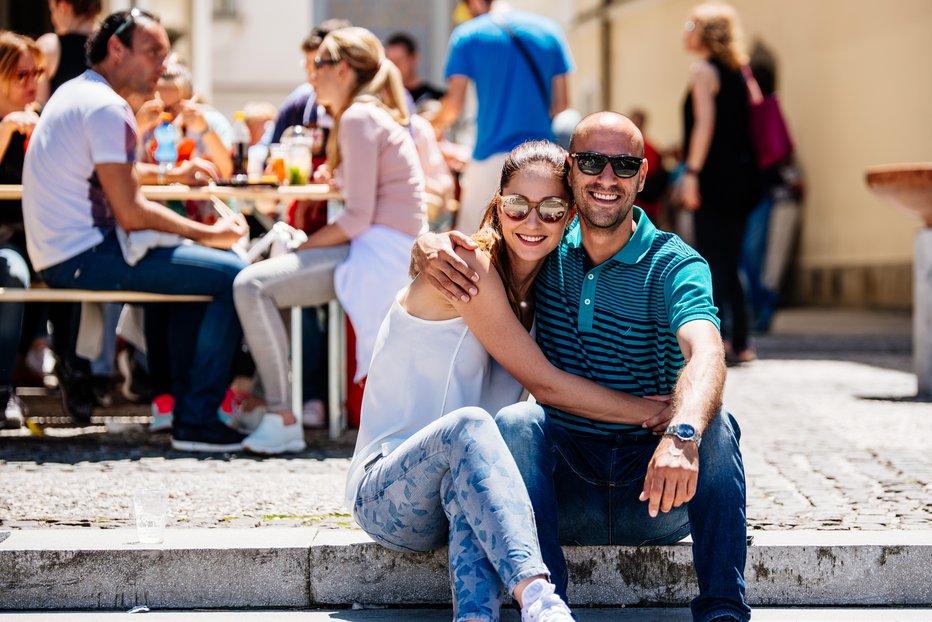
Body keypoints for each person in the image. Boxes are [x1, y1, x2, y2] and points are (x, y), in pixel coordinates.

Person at [414, 112, 750, 622]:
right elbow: (488, 242)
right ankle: (551, 611)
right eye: (593, 161)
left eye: (624, 165)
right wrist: (426, 245)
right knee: (519, 423)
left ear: (642, 176)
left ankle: (723, 609)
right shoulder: (546, 246)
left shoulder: (674, 264)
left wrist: (681, 435)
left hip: (656, 490)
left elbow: (705, 350)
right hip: (565, 488)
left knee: (716, 426)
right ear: (571, 172)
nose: (607, 178)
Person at [351, 139, 674, 622]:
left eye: (551, 209)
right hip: (388, 492)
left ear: (569, 217)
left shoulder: (547, 289)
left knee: (479, 455)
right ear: (498, 206)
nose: (532, 221)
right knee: (472, 427)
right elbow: (545, 384)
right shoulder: (468, 264)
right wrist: (655, 411)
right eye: (518, 205)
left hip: (462, 488)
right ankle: (538, 597)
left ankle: (477, 617)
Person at [22, 9, 250, 452]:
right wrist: (211, 235)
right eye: (153, 53)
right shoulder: (108, 108)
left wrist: (171, 175)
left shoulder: (79, 92)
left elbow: (111, 173)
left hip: (64, 253)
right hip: (81, 257)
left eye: (166, 55)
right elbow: (131, 212)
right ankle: (197, 420)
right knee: (232, 274)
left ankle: (186, 410)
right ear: (116, 49)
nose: (162, 65)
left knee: (200, 279)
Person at [234, 27, 427, 455]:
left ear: (341, 69)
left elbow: (357, 218)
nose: (310, 76)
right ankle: (273, 405)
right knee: (265, 280)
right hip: (388, 249)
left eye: (317, 64)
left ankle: (281, 416)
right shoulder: (368, 114)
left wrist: (303, 248)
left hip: (378, 254)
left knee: (251, 284)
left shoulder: (358, 117)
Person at [433, 0, 573, 236]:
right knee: (539, 243)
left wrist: (429, 126)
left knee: (475, 245)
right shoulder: (550, 31)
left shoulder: (468, 35)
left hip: (489, 159)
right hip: (542, 160)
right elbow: (561, 104)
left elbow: (453, 108)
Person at [679, 2, 761, 364]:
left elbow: (704, 125)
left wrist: (691, 175)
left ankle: (723, 337)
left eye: (691, 24)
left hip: (713, 178)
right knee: (733, 259)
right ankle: (741, 339)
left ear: (706, 32)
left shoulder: (703, 71)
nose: (685, 30)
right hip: (744, 177)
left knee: (712, 259)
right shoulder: (742, 72)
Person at [0, 32, 44, 429]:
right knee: (11, 272)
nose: (32, 82)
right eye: (21, 74)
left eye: (38, 72)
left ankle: (80, 376)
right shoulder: (12, 125)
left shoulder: (43, 120)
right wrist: (5, 132)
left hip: (32, 238)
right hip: (7, 240)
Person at [36, 0, 102, 104]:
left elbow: (39, 105)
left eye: (52, 10)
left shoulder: (49, 46)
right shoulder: (112, 46)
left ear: (63, 6)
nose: (52, 19)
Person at [384, 32, 445, 114]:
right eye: (391, 61)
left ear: (414, 58)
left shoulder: (437, 97)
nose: (394, 67)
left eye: (399, 61)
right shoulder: (384, 99)